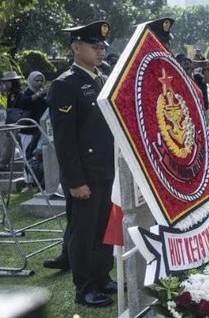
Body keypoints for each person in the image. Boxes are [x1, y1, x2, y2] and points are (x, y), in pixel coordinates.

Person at [47, 21, 117, 307]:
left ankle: (101, 276)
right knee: (83, 231)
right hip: (84, 173)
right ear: (76, 47)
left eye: (102, 47)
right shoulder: (65, 85)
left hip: (106, 168)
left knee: (104, 227)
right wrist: (75, 181)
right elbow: (65, 140)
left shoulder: (103, 78)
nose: (100, 52)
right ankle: (85, 286)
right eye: (94, 46)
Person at [15, 71, 49, 185]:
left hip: (40, 128)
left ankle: (37, 178)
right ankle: (27, 179)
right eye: (36, 80)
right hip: (28, 129)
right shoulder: (26, 92)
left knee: (39, 153)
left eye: (41, 80)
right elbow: (24, 102)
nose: (39, 83)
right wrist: (39, 94)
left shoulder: (44, 92)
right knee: (27, 153)